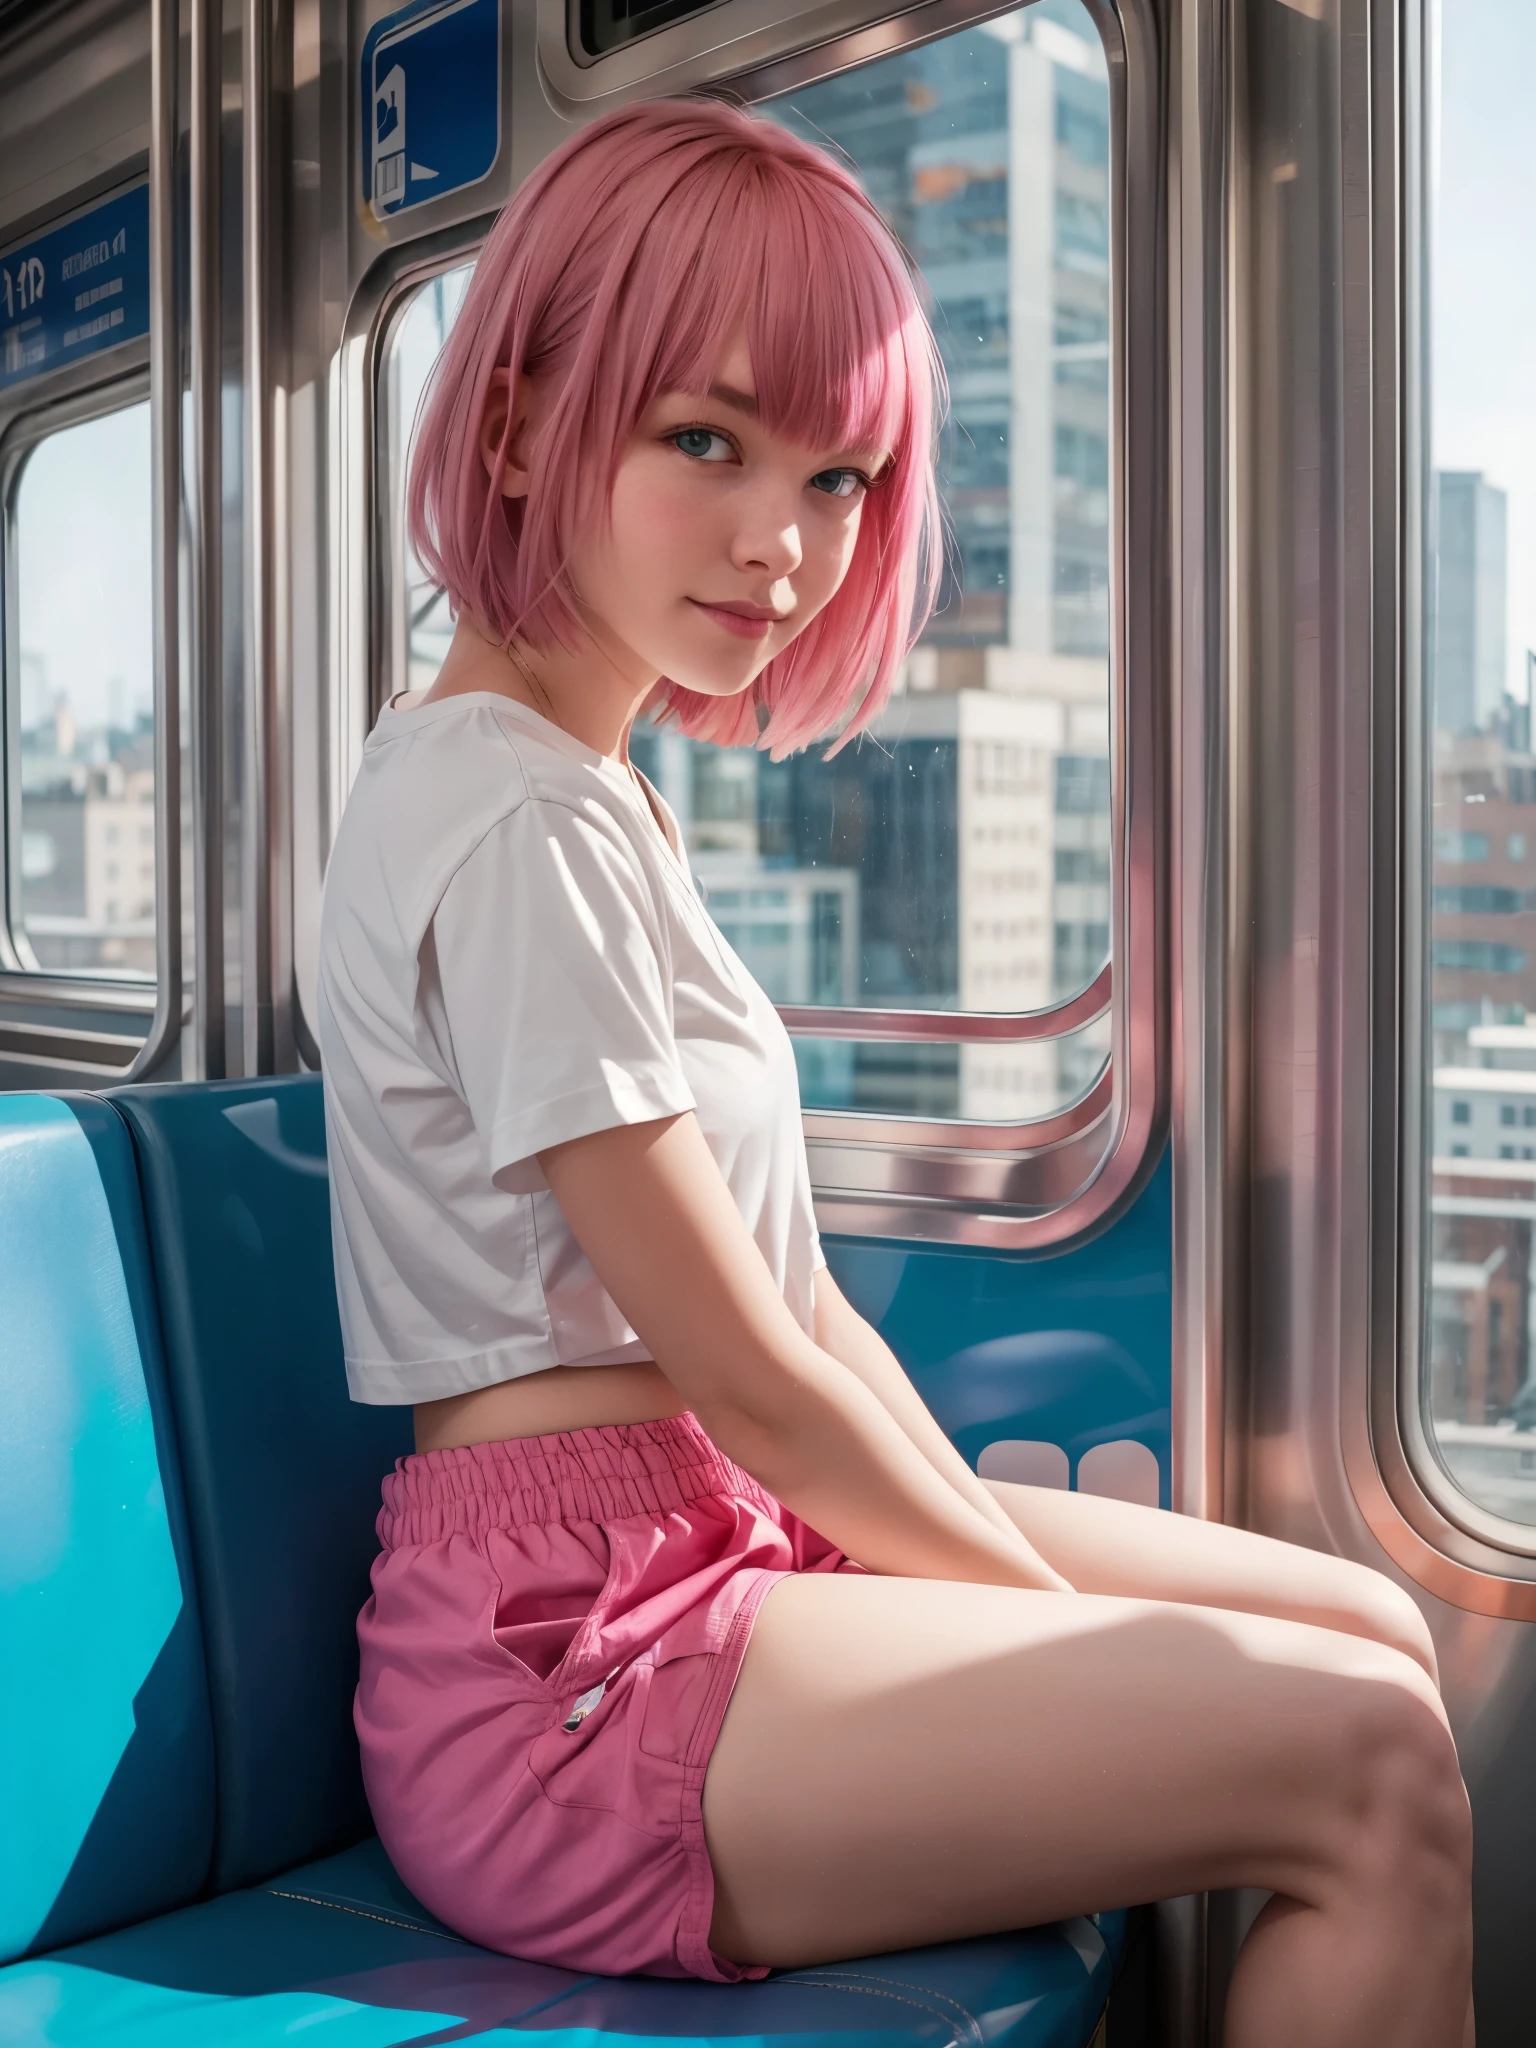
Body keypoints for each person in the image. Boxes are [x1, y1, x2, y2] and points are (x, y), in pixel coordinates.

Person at [316, 97, 1473, 2048]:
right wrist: (1042, 1610)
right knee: (1368, 1768)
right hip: (571, 1668)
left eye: (839, 475)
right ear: (518, 429)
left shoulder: (589, 800)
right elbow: (751, 1375)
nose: (785, 540)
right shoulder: (507, 820)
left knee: (1375, 1625)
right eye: (708, 440)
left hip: (706, 1551)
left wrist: (1025, 1594)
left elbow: (811, 1315)